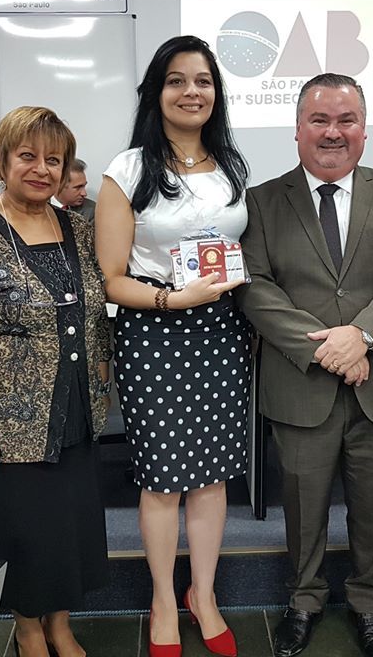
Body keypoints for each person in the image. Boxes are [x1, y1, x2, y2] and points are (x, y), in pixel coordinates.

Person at [237, 73, 373, 657]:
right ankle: (304, 600)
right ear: (297, 130)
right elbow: (254, 286)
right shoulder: (261, 201)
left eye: (346, 120)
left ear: (364, 131)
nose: (332, 132)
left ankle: (368, 602)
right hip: (301, 382)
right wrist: (329, 348)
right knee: (302, 506)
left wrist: (363, 337)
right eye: (319, 120)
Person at [0, 106, 112, 657]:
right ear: (3, 160)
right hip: (11, 427)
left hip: (76, 411)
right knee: (27, 536)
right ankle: (29, 630)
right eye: (28, 156)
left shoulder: (79, 230)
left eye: (53, 159)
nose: (41, 169)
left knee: (68, 531)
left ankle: (60, 623)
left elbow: (95, 315)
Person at [96, 35, 250, 657]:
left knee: (211, 478)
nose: (192, 92)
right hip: (154, 331)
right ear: (156, 92)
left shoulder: (231, 165)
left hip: (221, 333)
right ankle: (164, 598)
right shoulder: (128, 170)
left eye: (204, 81)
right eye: (177, 81)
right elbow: (111, 277)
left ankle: (202, 594)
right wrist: (172, 300)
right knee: (162, 479)